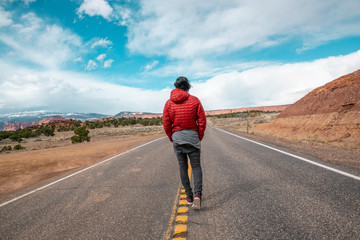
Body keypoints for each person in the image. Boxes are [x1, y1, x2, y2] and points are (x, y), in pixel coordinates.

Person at [163, 76, 206, 210]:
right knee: (196, 167)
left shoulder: (169, 103)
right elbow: (202, 121)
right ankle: (198, 195)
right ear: (187, 87)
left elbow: (166, 123)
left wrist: (172, 137)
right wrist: (199, 136)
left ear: (176, 86)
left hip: (178, 138)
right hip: (192, 137)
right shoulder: (195, 100)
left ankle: (189, 196)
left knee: (183, 167)